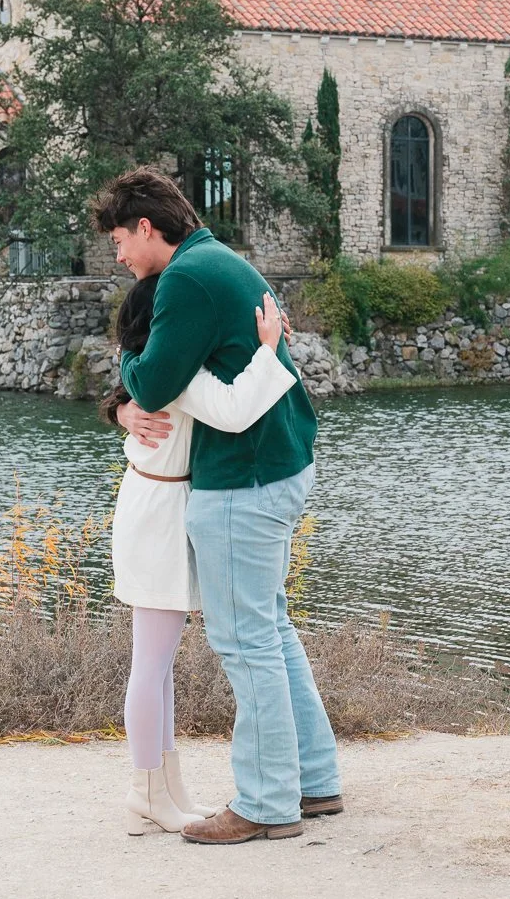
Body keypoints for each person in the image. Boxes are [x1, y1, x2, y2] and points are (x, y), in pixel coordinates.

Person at [95, 166, 341, 845]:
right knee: (271, 629)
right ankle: (314, 779)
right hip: (277, 464)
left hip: (242, 480)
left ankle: (266, 803)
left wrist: (127, 364)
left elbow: (153, 382)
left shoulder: (185, 279)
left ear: (146, 227)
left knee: (246, 640)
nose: (119, 256)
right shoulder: (219, 261)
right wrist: (124, 403)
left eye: (119, 241)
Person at [103, 265, 297, 835]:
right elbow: (235, 409)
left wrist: (120, 401)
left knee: (158, 666)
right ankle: (146, 791)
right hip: (157, 516)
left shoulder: (155, 374)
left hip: (156, 506)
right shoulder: (174, 378)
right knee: (151, 665)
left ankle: (167, 788)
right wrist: (268, 349)